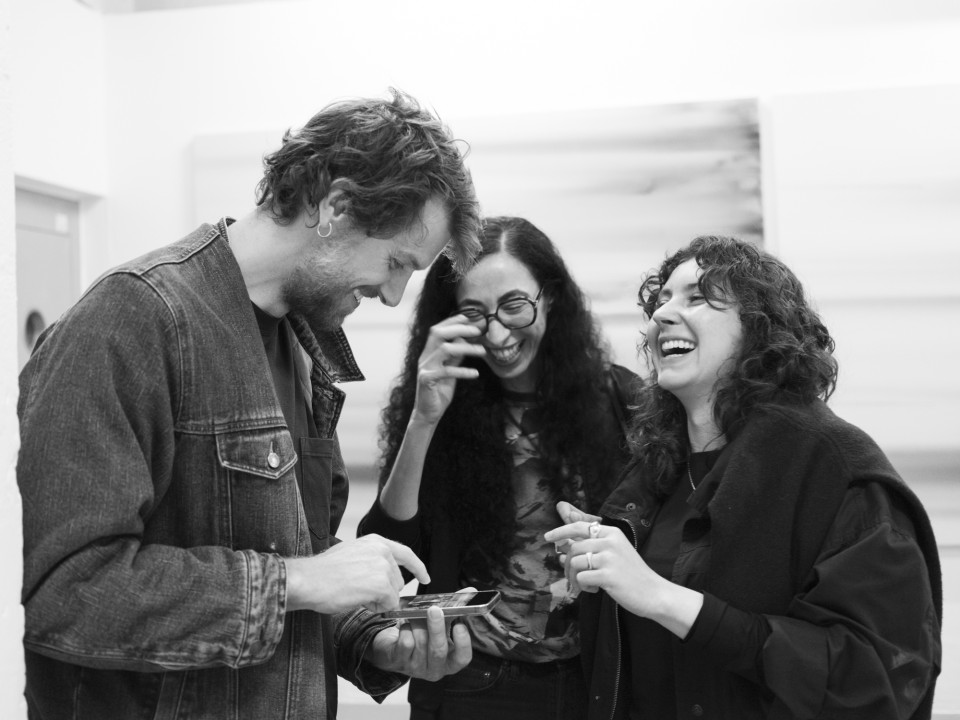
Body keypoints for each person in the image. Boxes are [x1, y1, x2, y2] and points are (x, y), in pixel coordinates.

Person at [17, 89, 482, 720]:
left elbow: (301, 565)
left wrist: (374, 642)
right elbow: (69, 595)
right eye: (397, 262)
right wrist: (298, 581)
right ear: (336, 207)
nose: (396, 296)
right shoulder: (132, 319)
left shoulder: (307, 346)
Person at [545, 234, 942, 719]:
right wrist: (607, 564)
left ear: (759, 328)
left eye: (697, 298)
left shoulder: (834, 466)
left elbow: (877, 678)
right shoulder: (653, 473)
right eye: (661, 300)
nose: (663, 314)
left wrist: (661, 596)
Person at [357, 216, 638, 720]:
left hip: (596, 679)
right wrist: (423, 418)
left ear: (550, 298)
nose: (497, 332)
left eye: (514, 305)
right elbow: (391, 559)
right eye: (474, 313)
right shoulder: (441, 407)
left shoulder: (622, 401)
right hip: (476, 681)